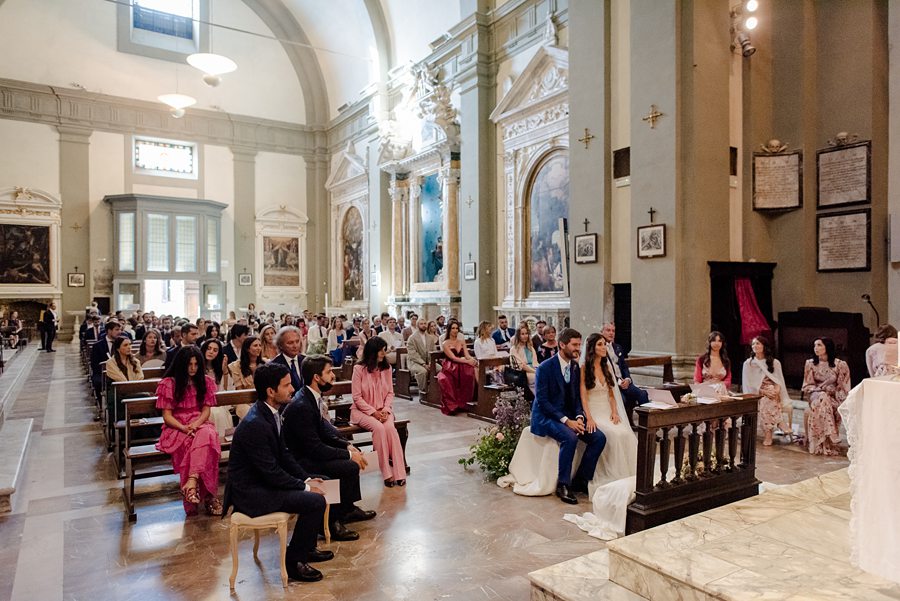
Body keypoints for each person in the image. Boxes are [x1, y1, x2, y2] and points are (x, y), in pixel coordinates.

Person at [224, 362, 332, 583]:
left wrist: (307, 478)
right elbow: (271, 472)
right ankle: (294, 562)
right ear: (271, 391)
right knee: (314, 501)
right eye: (286, 385)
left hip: (263, 482)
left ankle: (306, 548)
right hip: (252, 492)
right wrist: (304, 487)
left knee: (324, 483)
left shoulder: (271, 412)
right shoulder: (256, 423)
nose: (293, 389)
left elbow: (284, 455)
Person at [283, 355, 376, 541]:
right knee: (348, 465)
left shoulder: (311, 397)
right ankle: (333, 520)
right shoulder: (301, 404)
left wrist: (347, 445)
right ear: (317, 377)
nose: (333, 376)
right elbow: (315, 448)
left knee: (352, 460)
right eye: (329, 372)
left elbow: (325, 430)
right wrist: (349, 455)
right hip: (301, 461)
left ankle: (347, 508)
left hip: (310, 453)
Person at [530, 328, 607, 504]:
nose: (577, 349)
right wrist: (567, 421)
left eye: (579, 345)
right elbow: (542, 402)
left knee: (599, 438)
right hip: (546, 417)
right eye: (574, 345)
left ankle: (580, 480)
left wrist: (579, 417)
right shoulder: (544, 368)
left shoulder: (574, 367)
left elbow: (577, 398)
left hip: (570, 416)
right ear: (562, 344)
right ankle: (563, 485)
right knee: (570, 437)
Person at [155, 346, 222, 516]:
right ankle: (208, 497)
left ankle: (192, 485)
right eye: (189, 364)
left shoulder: (205, 381)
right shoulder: (169, 383)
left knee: (207, 435)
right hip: (176, 426)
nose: (193, 368)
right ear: (181, 364)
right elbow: (167, 416)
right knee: (193, 445)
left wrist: (196, 424)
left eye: (196, 364)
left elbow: (206, 411)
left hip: (199, 423)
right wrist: (184, 427)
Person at [579, 334, 637, 490]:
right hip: (594, 411)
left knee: (625, 433)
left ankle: (626, 474)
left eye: (604, 344)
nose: (604, 347)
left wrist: (615, 411)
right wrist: (589, 418)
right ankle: (604, 474)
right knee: (613, 435)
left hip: (607, 410)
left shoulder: (607, 366)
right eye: (600, 344)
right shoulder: (584, 367)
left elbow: (611, 393)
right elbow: (583, 396)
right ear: (592, 348)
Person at [352, 338, 407, 487]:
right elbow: (356, 397)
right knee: (379, 429)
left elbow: (390, 392)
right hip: (362, 411)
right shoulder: (359, 369)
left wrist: (385, 410)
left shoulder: (387, 368)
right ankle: (386, 473)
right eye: (381, 350)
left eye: (385, 349)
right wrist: (373, 412)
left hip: (383, 411)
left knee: (390, 429)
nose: (384, 352)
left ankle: (400, 472)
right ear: (372, 351)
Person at [801, 337, 851, 456]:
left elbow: (844, 388)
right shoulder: (810, 364)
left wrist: (831, 391)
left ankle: (825, 440)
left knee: (824, 401)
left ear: (827, 347)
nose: (816, 348)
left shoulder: (840, 365)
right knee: (822, 397)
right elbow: (807, 385)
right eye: (815, 345)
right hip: (815, 395)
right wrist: (819, 389)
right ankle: (831, 434)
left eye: (819, 345)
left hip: (833, 398)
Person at [742, 335, 793, 446]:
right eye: (753, 344)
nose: (755, 346)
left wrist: (775, 391)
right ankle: (779, 422)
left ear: (764, 346)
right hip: (757, 392)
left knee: (769, 396)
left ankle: (769, 434)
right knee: (766, 398)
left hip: (773, 392)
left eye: (758, 343)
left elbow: (779, 381)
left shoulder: (775, 363)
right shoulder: (748, 364)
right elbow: (748, 384)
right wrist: (763, 391)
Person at [600, 323, 649, 420]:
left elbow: (624, 367)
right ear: (601, 332)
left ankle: (646, 424)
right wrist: (619, 382)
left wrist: (627, 379)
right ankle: (624, 424)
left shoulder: (618, 347)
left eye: (613, 331)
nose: (611, 333)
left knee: (643, 394)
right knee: (622, 399)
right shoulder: (600, 349)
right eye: (608, 330)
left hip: (624, 382)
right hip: (612, 385)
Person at [436, 321, 477, 415]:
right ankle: (452, 406)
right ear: (449, 330)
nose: (455, 330)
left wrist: (473, 360)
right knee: (447, 379)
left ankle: (464, 403)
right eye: (453, 328)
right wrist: (467, 361)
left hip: (462, 364)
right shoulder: (445, 343)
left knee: (470, 373)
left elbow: (467, 355)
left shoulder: (461, 341)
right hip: (450, 366)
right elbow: (453, 358)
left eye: (456, 328)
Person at [228, 335, 264, 419]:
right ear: (247, 349)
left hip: (261, 399)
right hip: (243, 401)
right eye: (255, 346)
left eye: (260, 345)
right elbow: (239, 391)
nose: (258, 348)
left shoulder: (266, 363)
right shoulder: (236, 366)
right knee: (248, 411)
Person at [90, 320, 123, 400]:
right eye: (117, 330)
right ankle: (102, 404)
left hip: (120, 372)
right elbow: (95, 365)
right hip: (103, 373)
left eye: (120, 329)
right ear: (109, 331)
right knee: (99, 382)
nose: (119, 332)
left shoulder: (122, 344)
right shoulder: (97, 346)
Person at [271, 325, 305, 391]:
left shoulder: (306, 361)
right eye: (290, 343)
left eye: (297, 341)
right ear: (280, 345)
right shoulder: (274, 366)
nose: (295, 346)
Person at [406, 318, 434, 393]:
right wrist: (423, 364)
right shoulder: (412, 338)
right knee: (423, 371)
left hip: (428, 362)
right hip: (414, 362)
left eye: (425, 323)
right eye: (421, 324)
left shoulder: (430, 338)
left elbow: (433, 351)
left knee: (440, 369)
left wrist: (431, 362)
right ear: (418, 325)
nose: (423, 325)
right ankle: (423, 391)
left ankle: (435, 391)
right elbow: (412, 354)